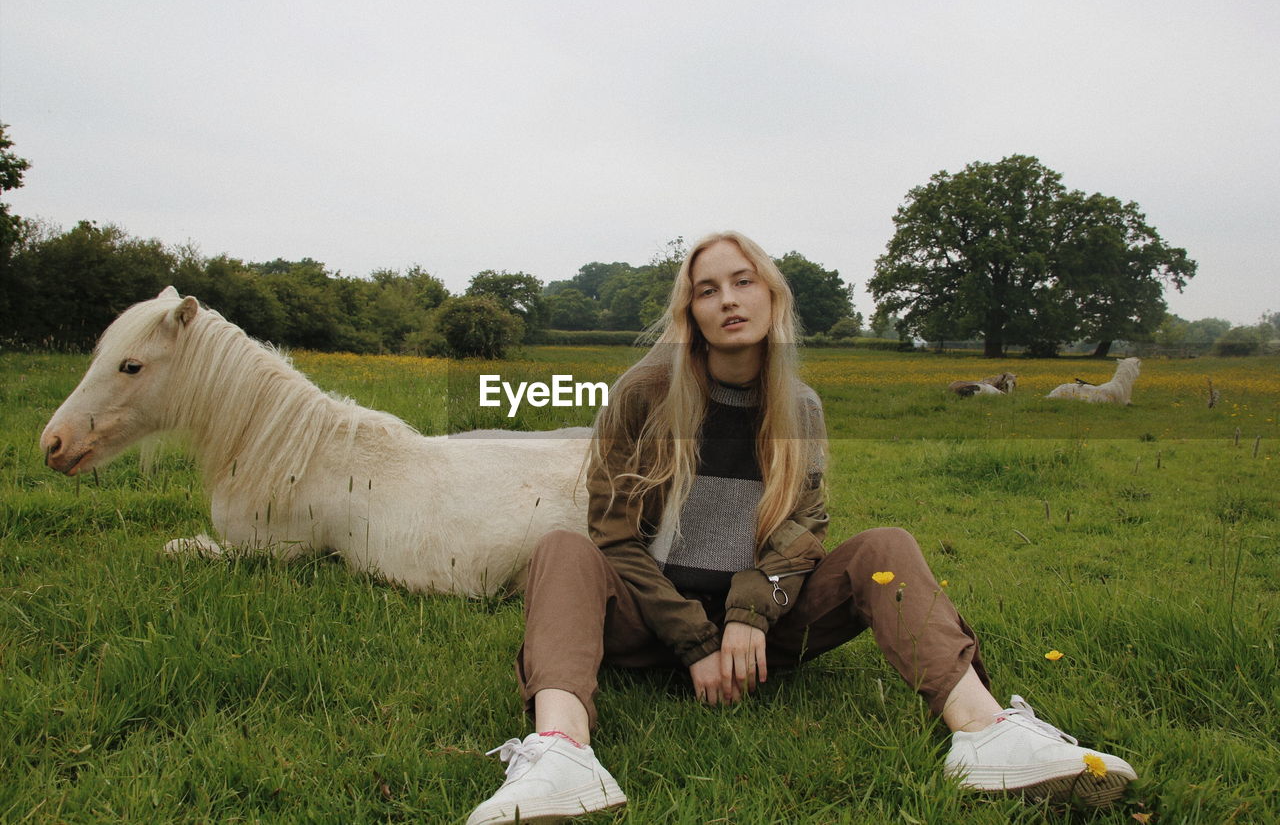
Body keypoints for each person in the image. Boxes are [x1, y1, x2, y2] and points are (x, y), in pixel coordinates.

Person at [467, 232, 1137, 824]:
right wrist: (695, 639)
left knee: (886, 546)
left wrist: (749, 613)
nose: (728, 299)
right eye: (707, 289)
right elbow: (612, 534)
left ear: (772, 297)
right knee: (563, 548)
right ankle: (562, 754)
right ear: (691, 312)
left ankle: (987, 732)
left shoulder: (802, 408)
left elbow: (805, 528)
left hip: (761, 639)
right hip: (648, 624)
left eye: (743, 280)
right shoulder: (643, 392)